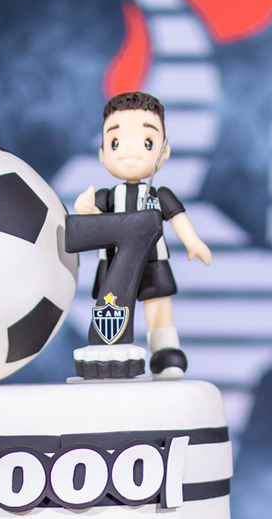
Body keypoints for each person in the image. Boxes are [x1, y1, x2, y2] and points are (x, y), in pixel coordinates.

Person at [74, 90, 212, 378]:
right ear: (102, 153)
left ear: (164, 150)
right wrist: (86, 208)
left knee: (158, 308)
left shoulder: (159, 195)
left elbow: (177, 217)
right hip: (114, 265)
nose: (130, 150)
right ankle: (110, 348)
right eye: (115, 142)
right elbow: (94, 222)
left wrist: (194, 242)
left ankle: (164, 352)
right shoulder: (108, 196)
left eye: (147, 142)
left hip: (152, 262)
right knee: (111, 306)